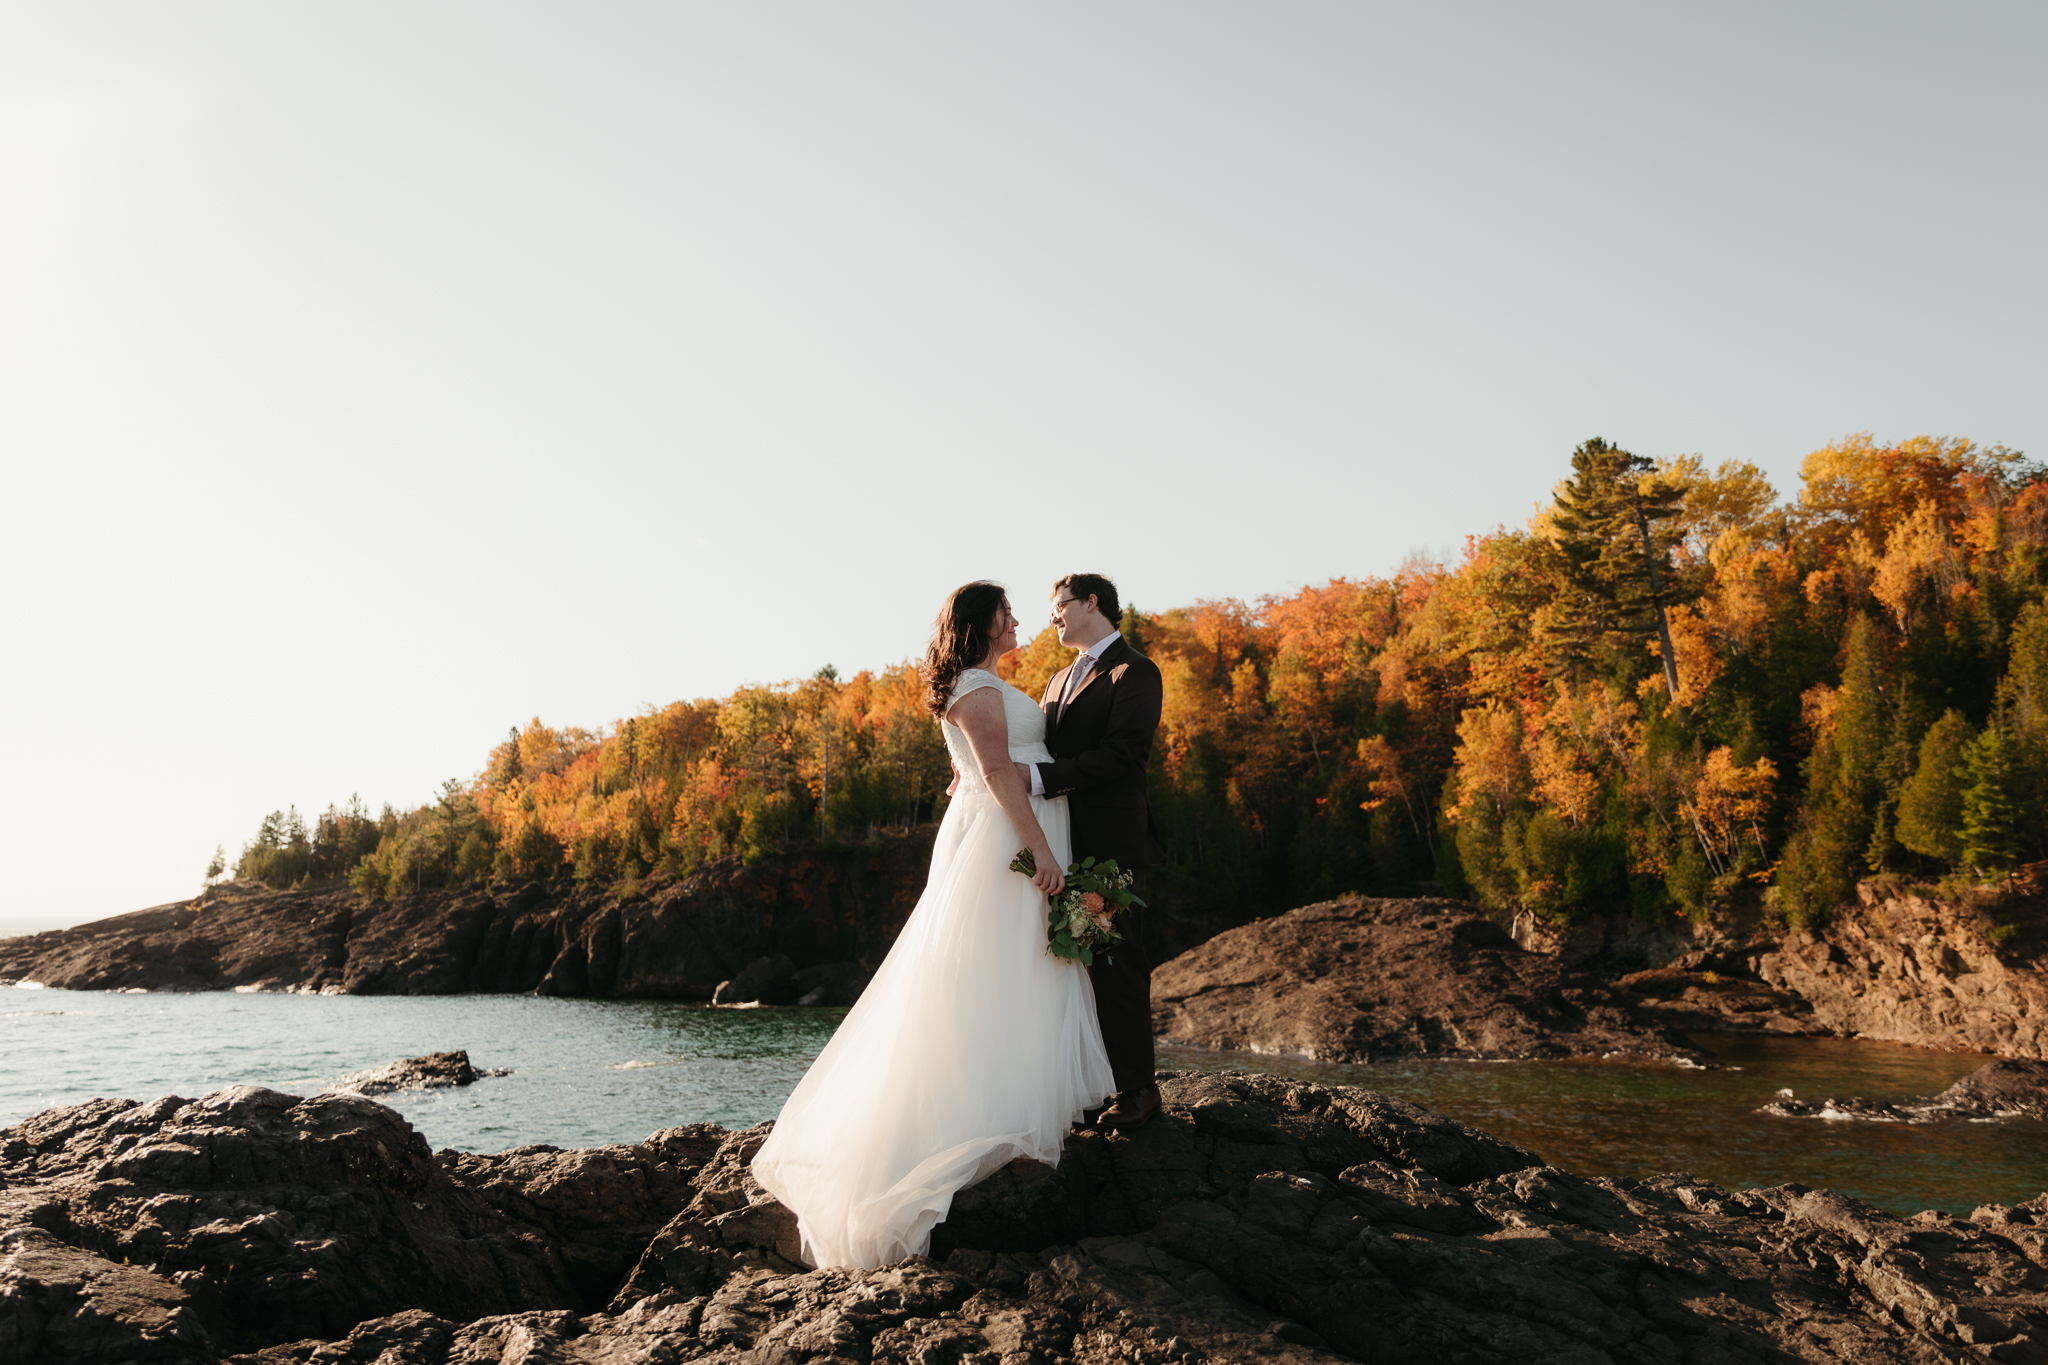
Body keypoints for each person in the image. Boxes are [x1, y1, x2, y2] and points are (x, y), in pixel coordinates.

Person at [750, 581, 1114, 1270]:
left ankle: (1015, 1097)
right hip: (1006, 841)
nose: (1018, 621)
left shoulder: (982, 683)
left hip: (1008, 828)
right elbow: (997, 770)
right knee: (993, 968)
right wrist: (1037, 848)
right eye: (1007, 612)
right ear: (980, 625)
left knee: (1015, 967)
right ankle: (972, 1114)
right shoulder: (976, 685)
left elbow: (970, 768)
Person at [1021, 573, 1165, 1129]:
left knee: (1118, 965)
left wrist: (1035, 779)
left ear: (1091, 603)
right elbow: (1036, 746)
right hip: (1057, 842)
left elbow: (1122, 755)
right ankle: (1087, 1086)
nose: (1052, 617)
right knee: (1067, 968)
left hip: (1112, 846)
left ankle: (1139, 1091)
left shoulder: (1136, 671)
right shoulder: (1057, 679)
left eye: (1058, 606)